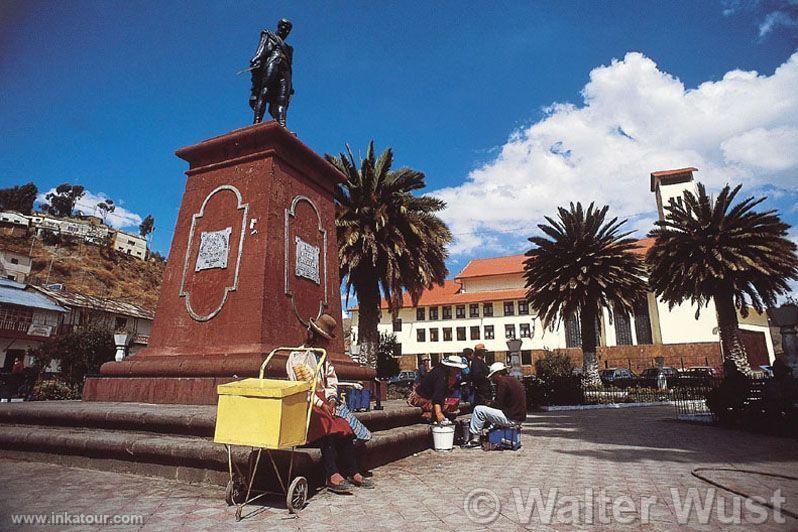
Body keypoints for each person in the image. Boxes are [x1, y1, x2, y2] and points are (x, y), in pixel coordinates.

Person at [285, 313, 373, 493]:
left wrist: (332, 399)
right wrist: (320, 403)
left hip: (325, 402)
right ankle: (331, 473)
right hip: (306, 404)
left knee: (344, 426)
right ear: (315, 337)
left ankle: (352, 469)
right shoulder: (298, 357)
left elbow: (332, 381)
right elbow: (302, 388)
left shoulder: (324, 357)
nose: (326, 344)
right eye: (323, 339)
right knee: (326, 425)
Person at [463, 362, 527, 448]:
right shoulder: (513, 380)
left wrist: (488, 404)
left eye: (493, 376)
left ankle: (475, 439)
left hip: (511, 418)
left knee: (478, 410)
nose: (492, 379)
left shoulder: (502, 382)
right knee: (486, 412)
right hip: (518, 417)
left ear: (498, 373)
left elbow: (498, 404)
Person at [249, 18, 295, 125]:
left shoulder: (289, 49)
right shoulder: (268, 35)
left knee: (282, 99)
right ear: (279, 27)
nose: (286, 31)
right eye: (284, 27)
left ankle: (282, 125)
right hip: (274, 62)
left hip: (286, 70)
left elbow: (290, 64)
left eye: (288, 29)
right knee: (264, 91)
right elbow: (261, 49)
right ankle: (257, 121)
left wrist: (291, 85)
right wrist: (256, 59)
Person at [408, 354, 467, 422]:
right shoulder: (440, 375)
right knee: (444, 408)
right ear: (450, 367)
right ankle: (427, 416)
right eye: (457, 369)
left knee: (452, 407)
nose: (458, 372)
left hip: (430, 397)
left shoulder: (446, 375)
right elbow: (437, 397)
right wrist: (438, 413)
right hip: (419, 398)